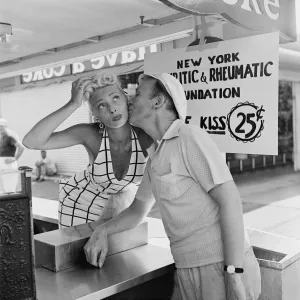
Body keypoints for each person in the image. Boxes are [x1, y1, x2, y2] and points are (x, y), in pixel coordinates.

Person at [84, 73, 261, 300]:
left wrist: (233, 273)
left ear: (157, 102)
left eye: (138, 93)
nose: (130, 98)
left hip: (220, 266)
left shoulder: (189, 137)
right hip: (186, 268)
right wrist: (103, 230)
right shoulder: (157, 156)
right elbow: (138, 210)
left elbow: (231, 201)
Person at [23, 72, 152, 228]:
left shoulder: (145, 134)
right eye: (101, 105)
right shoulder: (90, 134)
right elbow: (31, 142)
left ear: (126, 98)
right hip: (78, 205)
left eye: (115, 98)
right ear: (95, 114)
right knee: (78, 252)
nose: (112, 109)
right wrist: (73, 104)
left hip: (119, 210)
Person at [0, 118, 25, 193]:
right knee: (3, 187)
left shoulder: (10, 137)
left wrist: (15, 159)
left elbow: (21, 147)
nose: (0, 128)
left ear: (5, 126)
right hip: (2, 164)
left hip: (9, 164)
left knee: (10, 187)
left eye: (1, 126)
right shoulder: (2, 138)